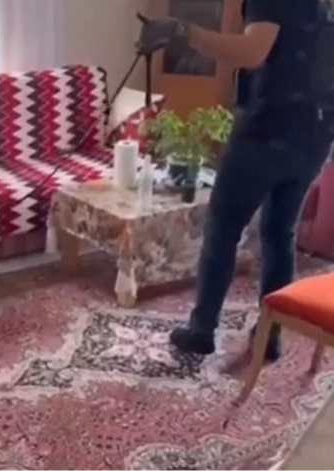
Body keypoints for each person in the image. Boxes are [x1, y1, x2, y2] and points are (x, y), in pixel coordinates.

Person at [136, 0, 332, 361]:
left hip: (267, 132)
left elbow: (251, 52)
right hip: (316, 134)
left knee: (223, 230)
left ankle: (201, 331)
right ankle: (271, 334)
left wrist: (183, 31)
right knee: (280, 232)